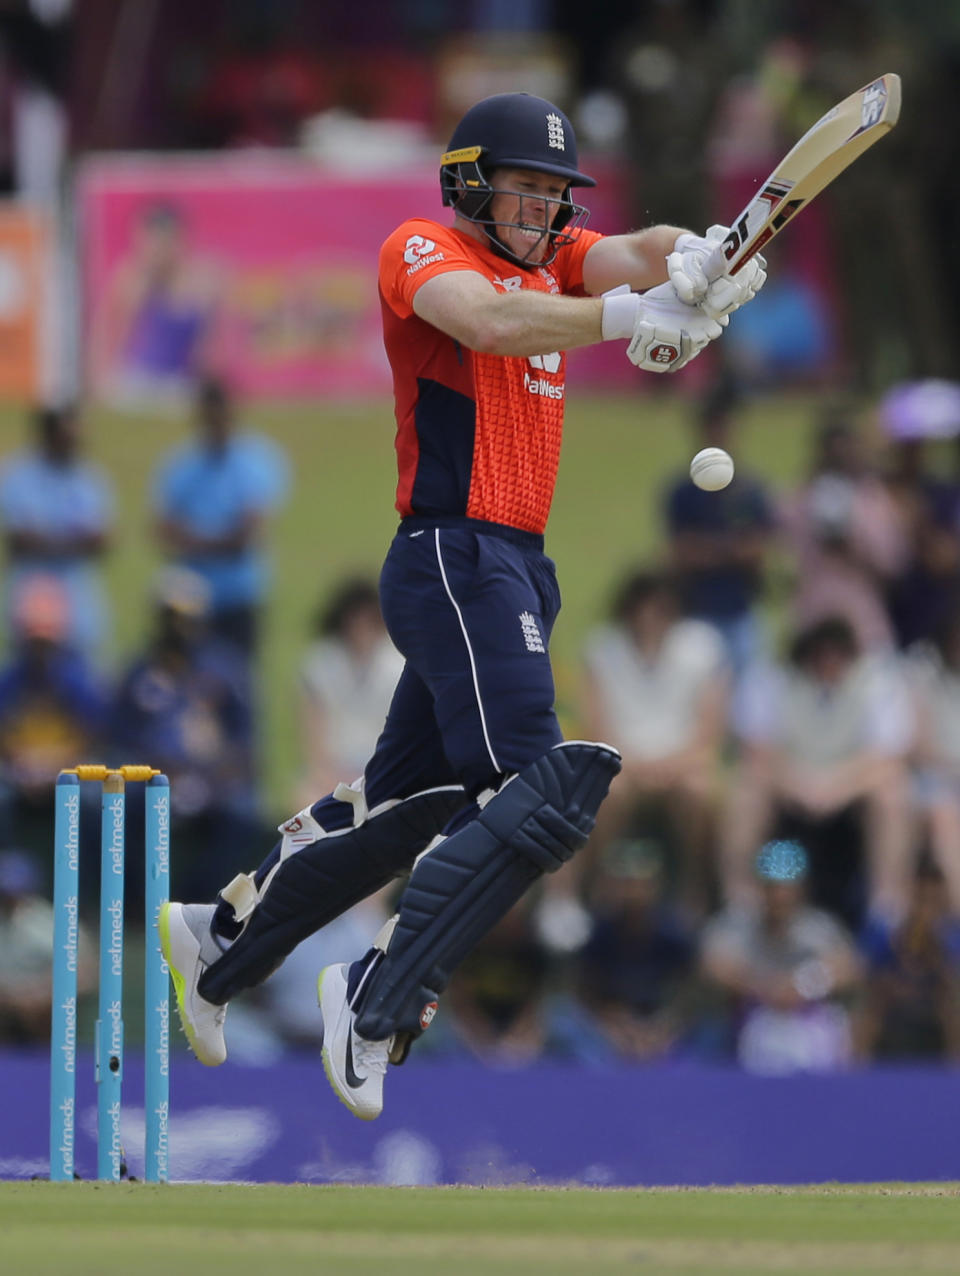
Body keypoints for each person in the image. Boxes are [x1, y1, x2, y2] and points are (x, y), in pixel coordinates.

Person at [159, 91, 765, 1120]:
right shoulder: (420, 252)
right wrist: (634, 316)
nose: (540, 213)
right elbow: (489, 322)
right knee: (544, 785)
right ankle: (377, 994)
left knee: (412, 809)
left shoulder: (558, 262)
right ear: (469, 183)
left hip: (515, 566)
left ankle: (216, 942)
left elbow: (637, 248)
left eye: (553, 196)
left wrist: (704, 258)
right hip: (452, 552)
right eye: (523, 190)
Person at [722, 615, 915, 931]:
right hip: (789, 788)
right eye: (821, 652)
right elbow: (757, 752)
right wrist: (801, 786)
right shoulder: (772, 679)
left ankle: (887, 909)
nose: (829, 661)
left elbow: (885, 759)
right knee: (746, 788)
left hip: (850, 794)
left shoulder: (878, 682)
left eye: (837, 652)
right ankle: (740, 902)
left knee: (893, 793)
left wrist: (833, 789)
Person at [579, 568, 730, 918]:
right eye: (643, 608)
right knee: (608, 793)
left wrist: (668, 767)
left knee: (699, 792)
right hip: (623, 765)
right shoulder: (603, 650)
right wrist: (637, 767)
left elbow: (709, 732)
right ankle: (604, 890)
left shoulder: (702, 647)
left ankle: (694, 890)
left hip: (682, 765)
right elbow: (596, 728)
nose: (650, 618)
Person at [152, 376, 290, 662]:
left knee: (238, 680)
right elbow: (164, 531)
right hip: (189, 601)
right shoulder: (181, 465)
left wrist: (194, 540)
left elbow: (248, 534)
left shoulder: (256, 461)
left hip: (239, 596)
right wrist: (222, 539)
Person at [701, 839, 864, 1075]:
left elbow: (849, 969)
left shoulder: (817, 927)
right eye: (772, 887)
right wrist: (763, 987)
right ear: (760, 887)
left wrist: (803, 985)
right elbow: (712, 966)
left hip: (806, 1023)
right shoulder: (739, 923)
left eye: (787, 888)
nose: (779, 896)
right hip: (749, 1020)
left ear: (801, 889)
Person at [662, 380, 776, 678]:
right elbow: (681, 553)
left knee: (746, 706)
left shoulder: (750, 490)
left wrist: (709, 549)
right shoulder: (683, 492)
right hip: (697, 612)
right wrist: (731, 549)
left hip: (742, 612)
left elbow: (758, 551)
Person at [0, 404, 114, 662]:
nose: (75, 444)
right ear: (47, 436)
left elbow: (100, 541)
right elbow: (20, 540)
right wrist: (74, 541)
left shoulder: (90, 478)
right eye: (67, 437)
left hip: (80, 609)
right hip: (31, 610)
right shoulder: (18, 476)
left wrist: (47, 539)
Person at [296, 576, 404, 808]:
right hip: (334, 769)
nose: (361, 627)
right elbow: (314, 726)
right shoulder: (321, 661)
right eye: (355, 618)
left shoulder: (398, 663)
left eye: (368, 619)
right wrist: (325, 773)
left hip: (384, 769)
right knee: (304, 801)